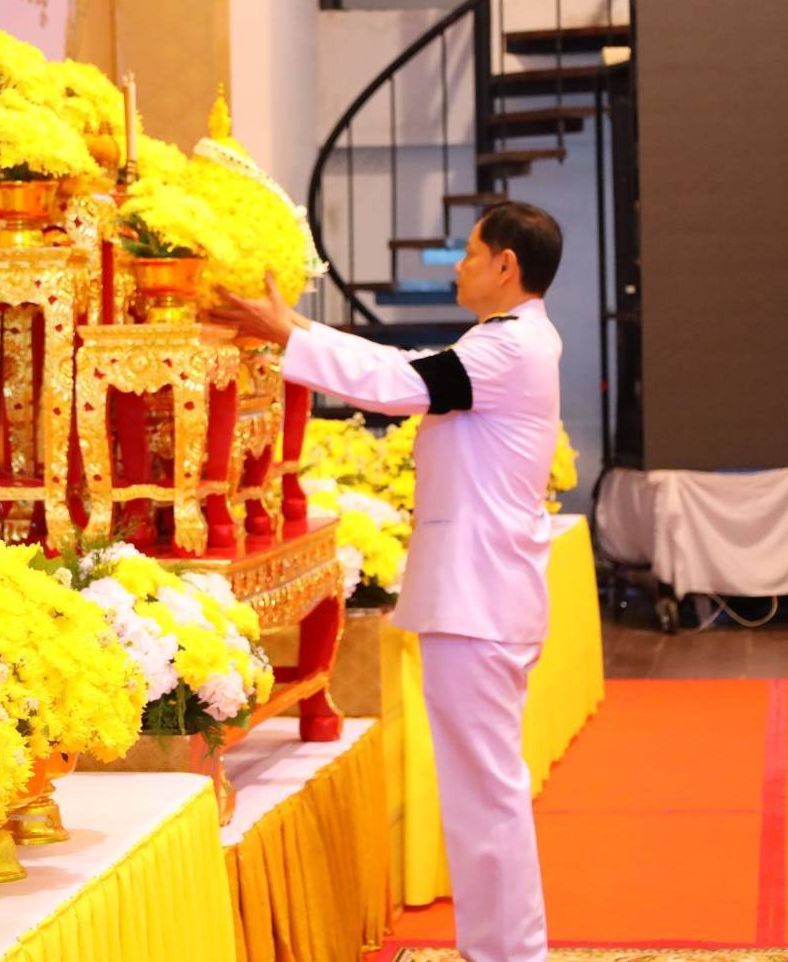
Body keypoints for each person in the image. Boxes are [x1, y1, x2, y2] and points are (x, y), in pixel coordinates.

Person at [218, 200, 564, 962]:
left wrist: (288, 334)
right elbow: (409, 368)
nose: (459, 266)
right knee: (481, 793)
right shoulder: (508, 339)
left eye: (469, 253)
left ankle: (510, 954)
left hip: (479, 600)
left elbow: (400, 381)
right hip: (480, 596)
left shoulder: (509, 347)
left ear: (505, 265)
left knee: (485, 795)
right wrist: (294, 328)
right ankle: (501, 951)